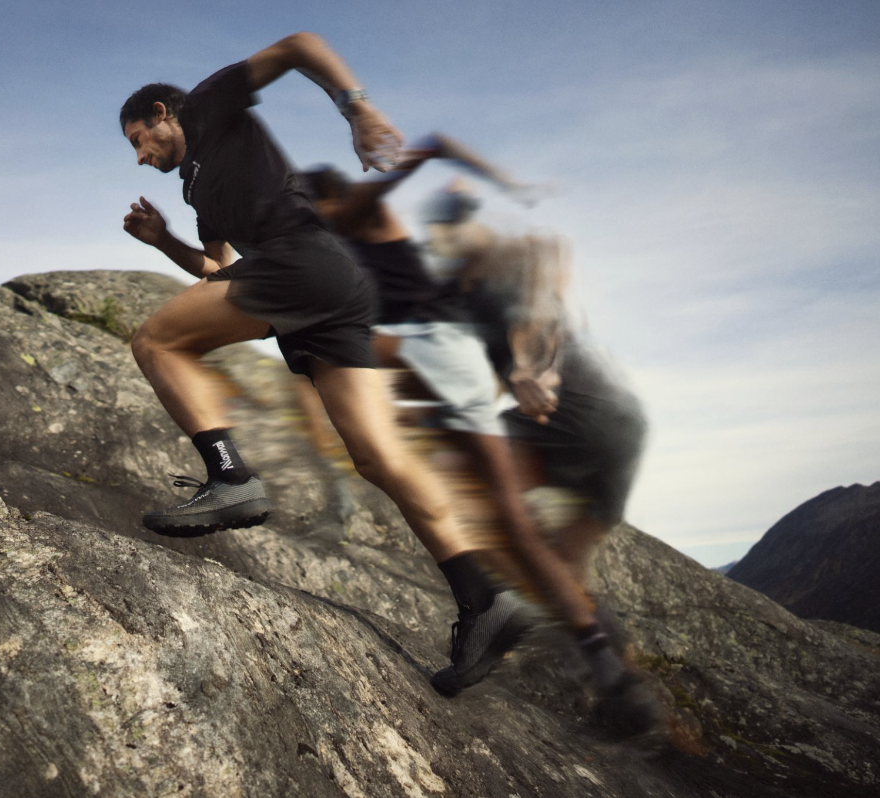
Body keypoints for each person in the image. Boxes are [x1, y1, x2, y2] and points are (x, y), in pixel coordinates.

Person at [119, 32, 523, 688]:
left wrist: (358, 109)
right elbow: (218, 271)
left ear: (162, 114)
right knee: (379, 458)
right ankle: (485, 601)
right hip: (322, 287)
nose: (140, 157)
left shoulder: (208, 103)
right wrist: (163, 240)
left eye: (139, 139)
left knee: (154, 342)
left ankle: (230, 476)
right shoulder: (196, 189)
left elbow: (299, 47)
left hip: (302, 263)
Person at [299, 137, 550, 695]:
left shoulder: (357, 208)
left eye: (310, 209)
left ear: (328, 199)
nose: (307, 222)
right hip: (442, 351)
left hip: (433, 342)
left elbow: (434, 143)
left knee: (332, 357)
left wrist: (505, 181)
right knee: (483, 491)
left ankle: (499, 603)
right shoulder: (344, 232)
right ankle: (493, 603)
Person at [422, 182, 662, 735]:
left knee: (468, 481)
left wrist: (532, 363)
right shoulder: (459, 295)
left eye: (460, 223)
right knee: (565, 566)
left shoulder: (511, 257)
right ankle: (619, 687)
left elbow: (544, 266)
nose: (454, 236)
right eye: (448, 227)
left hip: (576, 406)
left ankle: (495, 615)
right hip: (623, 420)